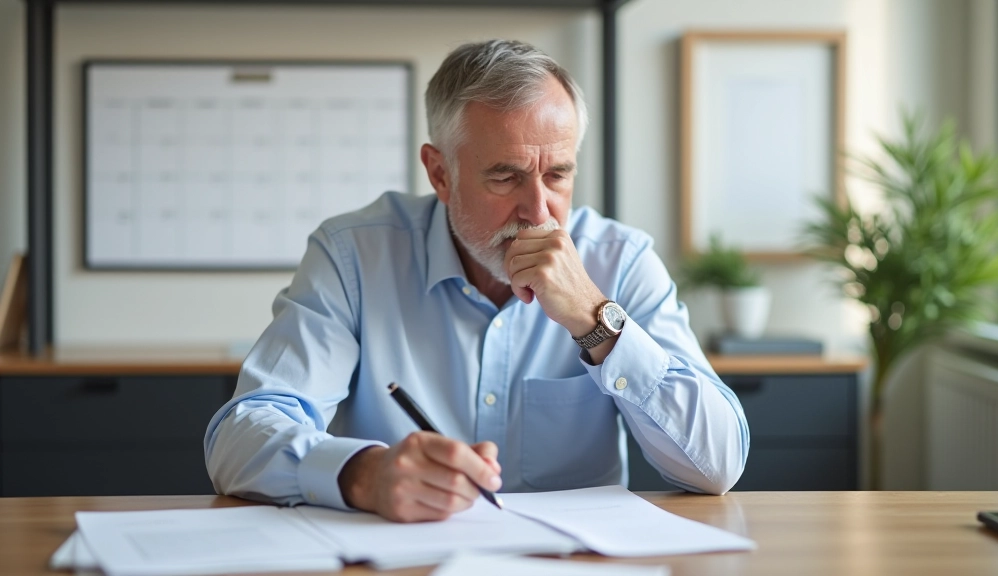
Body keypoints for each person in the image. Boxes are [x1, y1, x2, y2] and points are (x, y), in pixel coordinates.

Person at [205, 39, 749, 523]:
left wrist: (596, 323)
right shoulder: (354, 256)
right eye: (506, 176)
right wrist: (364, 475)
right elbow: (239, 438)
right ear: (440, 173)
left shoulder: (622, 260)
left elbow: (717, 466)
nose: (539, 211)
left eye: (557, 175)